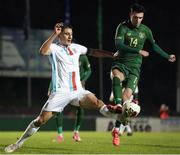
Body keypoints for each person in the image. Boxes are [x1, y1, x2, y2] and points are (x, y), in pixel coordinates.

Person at [4, 22, 119, 153]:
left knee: (97, 102)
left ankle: (120, 119)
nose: (70, 36)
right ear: (60, 35)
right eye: (66, 34)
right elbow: (42, 51)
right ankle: (19, 143)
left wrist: (112, 55)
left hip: (77, 91)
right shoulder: (54, 48)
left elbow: (93, 52)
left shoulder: (76, 48)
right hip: (60, 93)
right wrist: (54, 34)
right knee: (40, 120)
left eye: (71, 34)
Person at [108, 3, 176, 146]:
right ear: (130, 14)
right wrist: (138, 51)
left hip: (135, 69)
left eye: (141, 18)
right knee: (116, 76)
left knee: (128, 102)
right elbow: (118, 45)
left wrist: (167, 56)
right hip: (121, 63)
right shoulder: (122, 27)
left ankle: (116, 129)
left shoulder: (145, 30)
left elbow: (154, 46)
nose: (138, 20)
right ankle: (118, 104)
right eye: (135, 17)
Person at [50, 54, 92, 143]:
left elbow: (88, 70)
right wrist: (51, 87)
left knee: (81, 107)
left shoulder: (82, 56)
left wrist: (83, 79)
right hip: (63, 86)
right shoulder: (62, 56)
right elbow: (56, 73)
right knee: (58, 108)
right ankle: (60, 134)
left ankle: (76, 132)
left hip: (78, 87)